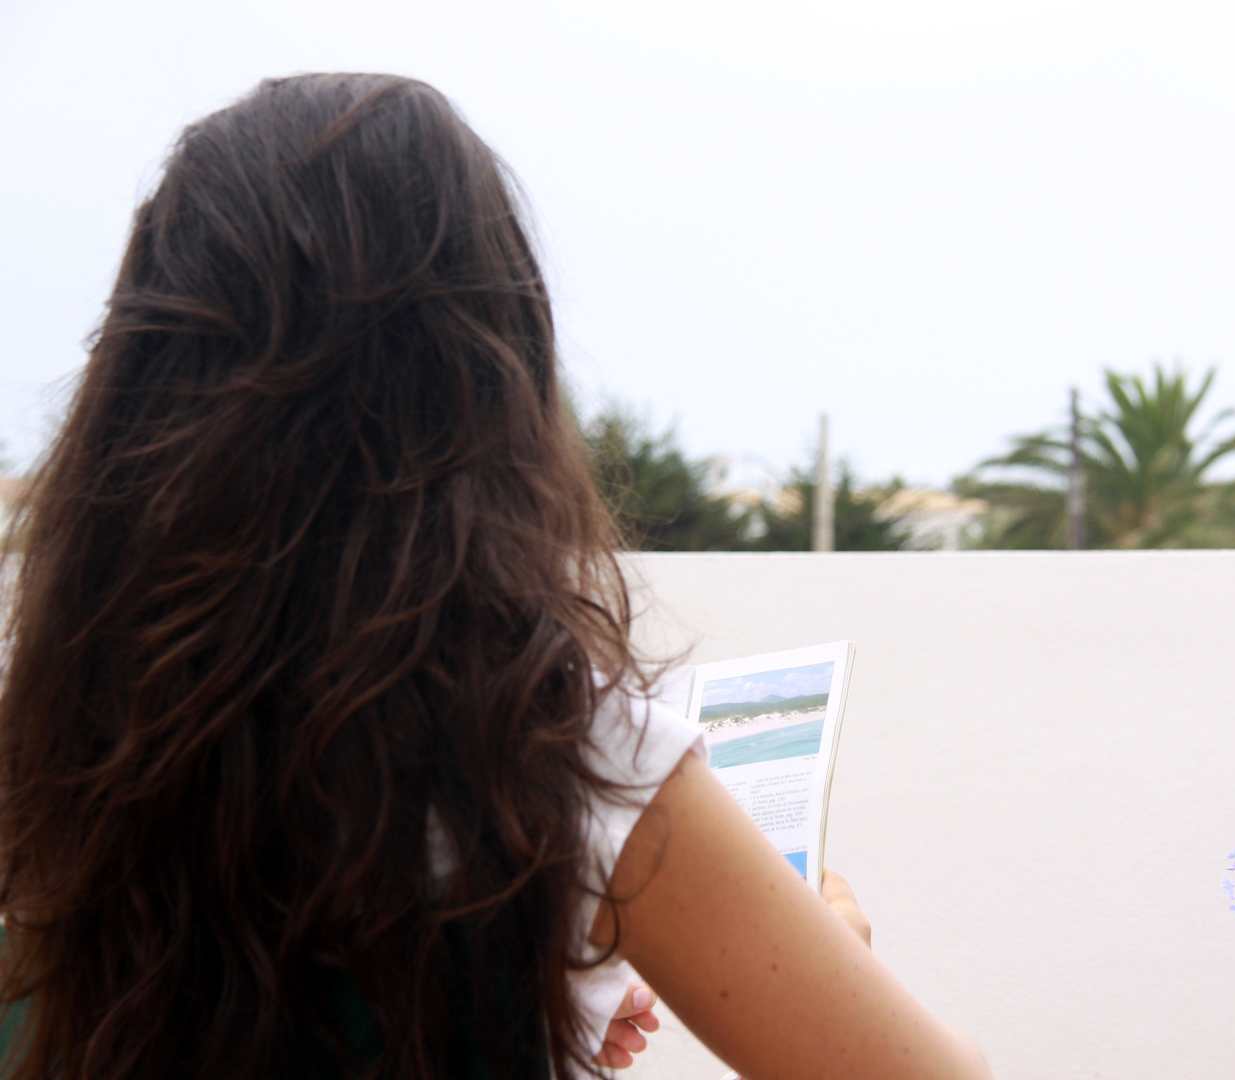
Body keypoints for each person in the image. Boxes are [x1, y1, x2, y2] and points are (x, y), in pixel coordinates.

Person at [0, 73, 990, 1080]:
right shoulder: (553, 751)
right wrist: (835, 952)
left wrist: (543, 1012)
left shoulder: (56, 748)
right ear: (486, 381)